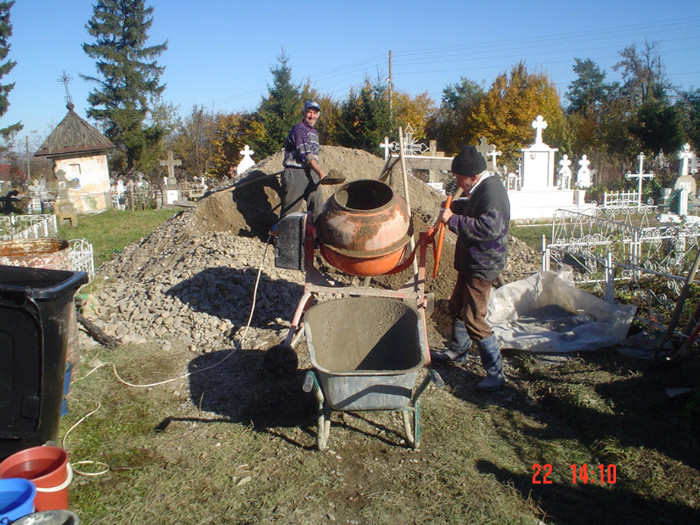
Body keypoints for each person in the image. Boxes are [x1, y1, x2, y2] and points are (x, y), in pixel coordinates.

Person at [431, 145, 510, 391]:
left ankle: (496, 374)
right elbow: (473, 207)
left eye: (459, 178)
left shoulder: (492, 192)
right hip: (470, 260)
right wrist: (455, 207)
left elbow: (488, 229)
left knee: (474, 318)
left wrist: (452, 220)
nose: (457, 182)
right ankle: (458, 351)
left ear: (473, 177)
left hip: (483, 264)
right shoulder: (480, 189)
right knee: (456, 306)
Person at [281, 100, 327, 219]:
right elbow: (306, 154)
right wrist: (320, 172)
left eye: (315, 113)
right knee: (290, 213)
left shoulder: (314, 133)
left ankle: (318, 237)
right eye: (309, 112)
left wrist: (316, 173)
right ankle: (280, 236)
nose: (312, 116)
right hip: (296, 172)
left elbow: (314, 156)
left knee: (318, 208)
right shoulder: (299, 129)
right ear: (304, 112)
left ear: (318, 115)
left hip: (312, 172)